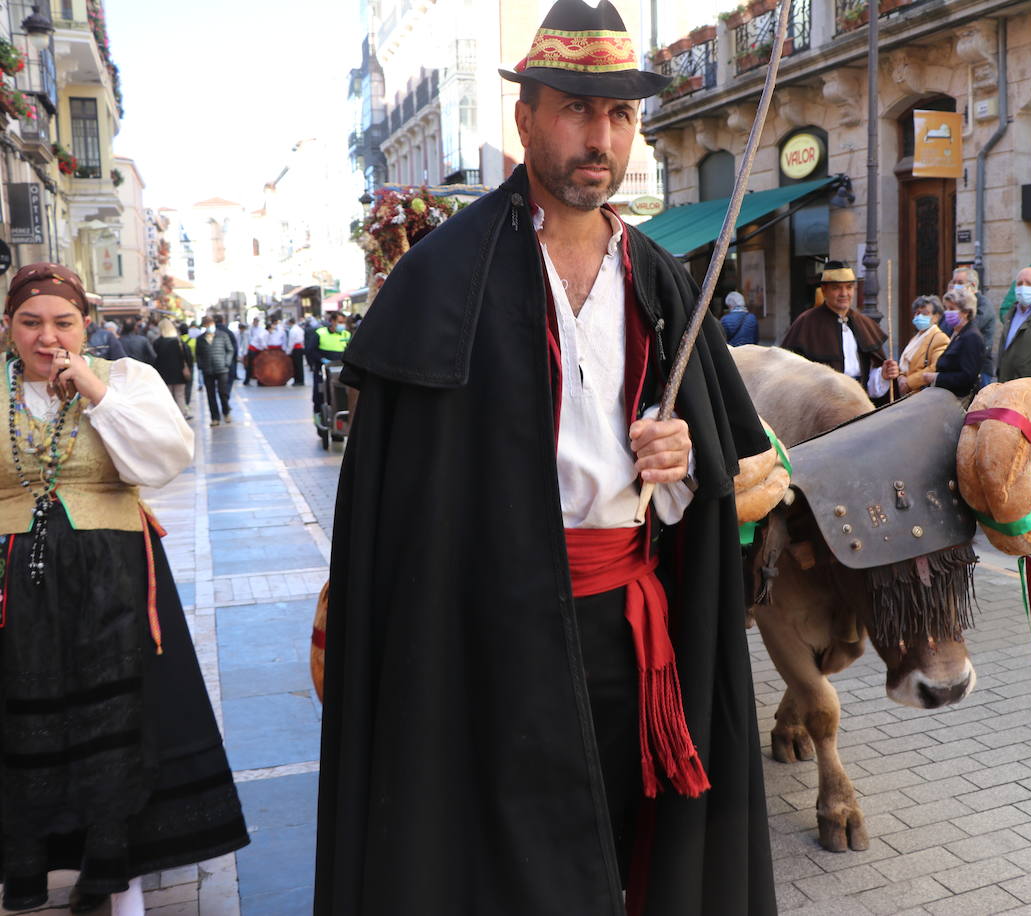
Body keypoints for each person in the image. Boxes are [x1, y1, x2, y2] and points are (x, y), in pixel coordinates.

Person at [314, 1, 776, 911]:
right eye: (575, 108)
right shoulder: (442, 280)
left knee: (632, 843)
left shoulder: (658, 276)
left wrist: (681, 465)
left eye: (620, 115)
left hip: (633, 631)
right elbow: (397, 504)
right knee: (504, 862)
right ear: (525, 116)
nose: (599, 136)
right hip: (481, 637)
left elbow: (719, 475)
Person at [0, 263, 248, 915]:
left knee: (116, 722)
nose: (46, 336)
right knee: (31, 724)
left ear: (87, 326)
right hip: (17, 589)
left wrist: (93, 391)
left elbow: (166, 459)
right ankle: (37, 868)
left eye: (62, 322)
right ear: (7, 328)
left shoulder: (125, 379)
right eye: (30, 322)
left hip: (114, 577)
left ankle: (119, 883)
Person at [779, 260, 898, 401]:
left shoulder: (863, 322)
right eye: (836, 288)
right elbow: (790, 372)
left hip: (859, 401)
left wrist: (883, 374)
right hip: (821, 405)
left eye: (849, 287)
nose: (844, 293)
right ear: (824, 290)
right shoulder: (806, 323)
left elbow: (870, 379)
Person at [920, 287, 984, 399]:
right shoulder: (957, 333)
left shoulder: (971, 337)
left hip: (959, 400)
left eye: (952, 308)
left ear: (966, 312)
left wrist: (936, 377)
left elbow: (967, 376)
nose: (947, 312)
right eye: (946, 308)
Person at [949, 267, 999, 387]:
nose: (955, 286)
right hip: (958, 368)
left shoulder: (983, 305)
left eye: (960, 283)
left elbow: (968, 327)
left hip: (979, 370)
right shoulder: (956, 305)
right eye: (954, 282)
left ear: (973, 285)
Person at [896, 295, 948, 396]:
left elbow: (935, 368)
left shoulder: (939, 338)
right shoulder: (916, 338)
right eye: (917, 313)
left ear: (936, 316)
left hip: (922, 395)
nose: (919, 317)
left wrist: (909, 382)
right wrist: (901, 377)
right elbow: (905, 364)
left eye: (925, 313)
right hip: (908, 395)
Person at [196, 316, 235, 426]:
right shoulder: (200, 339)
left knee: (223, 392)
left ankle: (226, 413)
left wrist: (226, 362)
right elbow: (198, 354)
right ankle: (215, 418)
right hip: (207, 370)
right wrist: (201, 366)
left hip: (222, 369)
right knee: (210, 395)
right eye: (206, 325)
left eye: (210, 324)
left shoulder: (223, 335)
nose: (209, 327)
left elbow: (230, 350)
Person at [152, 318, 194, 420]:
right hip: (179, 373)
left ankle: (170, 416)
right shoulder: (178, 341)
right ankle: (182, 414)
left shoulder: (157, 342)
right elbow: (187, 357)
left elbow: (154, 358)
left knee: (167, 396)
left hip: (164, 374)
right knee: (180, 395)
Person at [312, 313, 351, 416]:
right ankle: (320, 414)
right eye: (340, 322)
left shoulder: (346, 334)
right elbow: (311, 350)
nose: (342, 325)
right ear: (332, 321)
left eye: (343, 322)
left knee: (341, 395)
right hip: (324, 370)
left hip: (340, 370)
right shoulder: (320, 333)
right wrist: (322, 360)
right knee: (321, 394)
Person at [243, 318, 266, 385]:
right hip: (253, 349)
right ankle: (247, 380)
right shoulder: (250, 330)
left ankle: (260, 380)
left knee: (258, 365)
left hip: (257, 349)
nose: (256, 323)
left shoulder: (261, 329)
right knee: (250, 365)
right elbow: (247, 341)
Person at [287, 317, 306, 385]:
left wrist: (288, 351)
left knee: (296, 365)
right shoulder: (299, 329)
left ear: (290, 323)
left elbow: (291, 342)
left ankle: (298, 380)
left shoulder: (292, 330)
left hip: (295, 348)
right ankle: (300, 380)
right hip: (300, 348)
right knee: (299, 365)